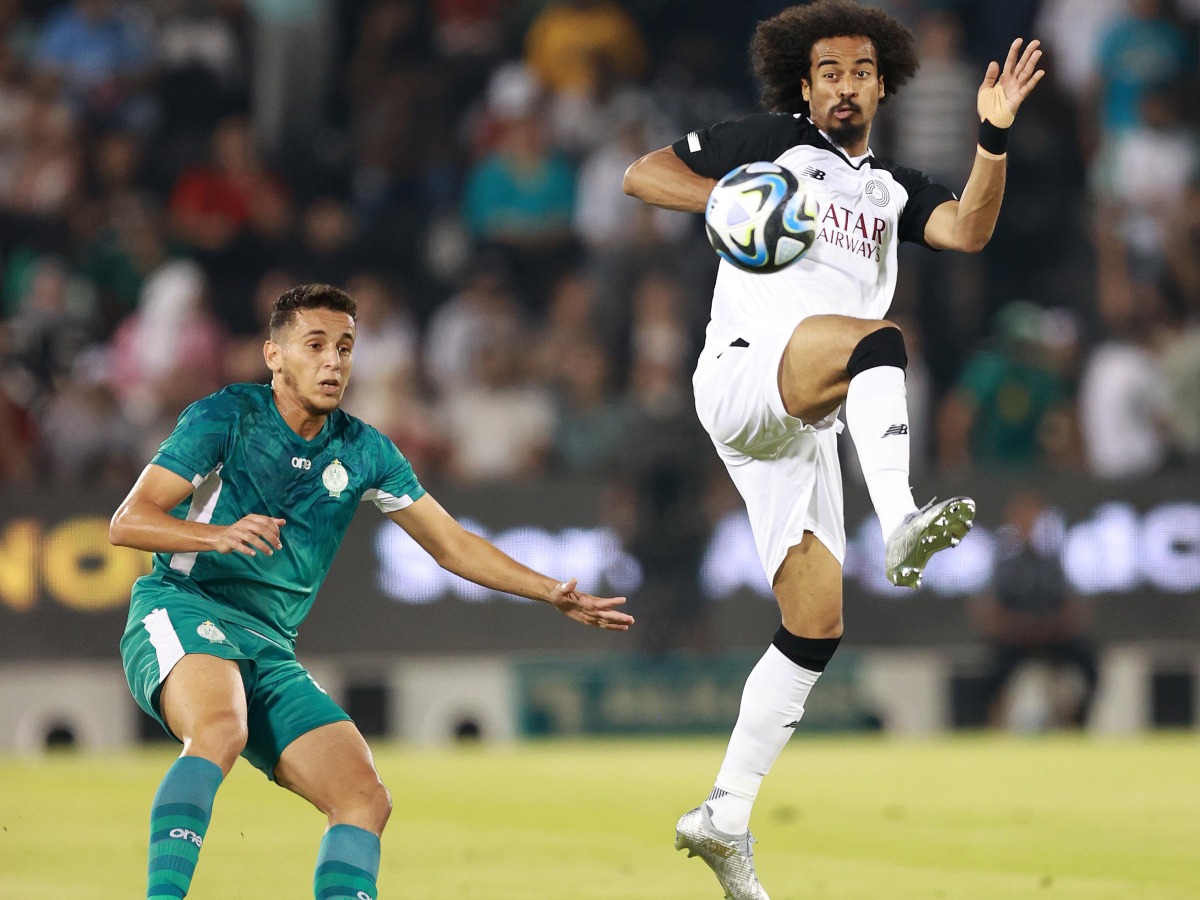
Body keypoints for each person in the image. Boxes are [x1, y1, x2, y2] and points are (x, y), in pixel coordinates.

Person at [622, 3, 1044, 897]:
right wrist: (726, 198)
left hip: (801, 421)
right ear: (803, 85)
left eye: (860, 70)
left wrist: (993, 137)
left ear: (881, 82)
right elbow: (642, 174)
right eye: (829, 72)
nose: (845, 85)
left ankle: (722, 819)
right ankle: (901, 520)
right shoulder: (772, 142)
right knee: (880, 341)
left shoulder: (892, 186)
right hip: (743, 375)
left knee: (815, 626)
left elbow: (969, 230)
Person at [110, 283, 633, 900]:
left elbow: (451, 545)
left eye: (346, 348)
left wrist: (551, 592)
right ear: (274, 355)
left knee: (363, 798)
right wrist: (215, 534)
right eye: (315, 345)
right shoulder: (227, 416)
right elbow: (129, 521)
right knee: (221, 730)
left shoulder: (366, 451)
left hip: (269, 646)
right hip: (184, 607)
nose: (334, 362)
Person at [971, 490, 1098, 729]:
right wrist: (1019, 628)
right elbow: (988, 610)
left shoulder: (1054, 562)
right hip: (1014, 639)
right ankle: (988, 725)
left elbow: (1074, 607)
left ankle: (1076, 722)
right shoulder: (1003, 563)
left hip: (1053, 636)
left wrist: (1051, 628)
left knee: (1088, 663)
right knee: (987, 674)